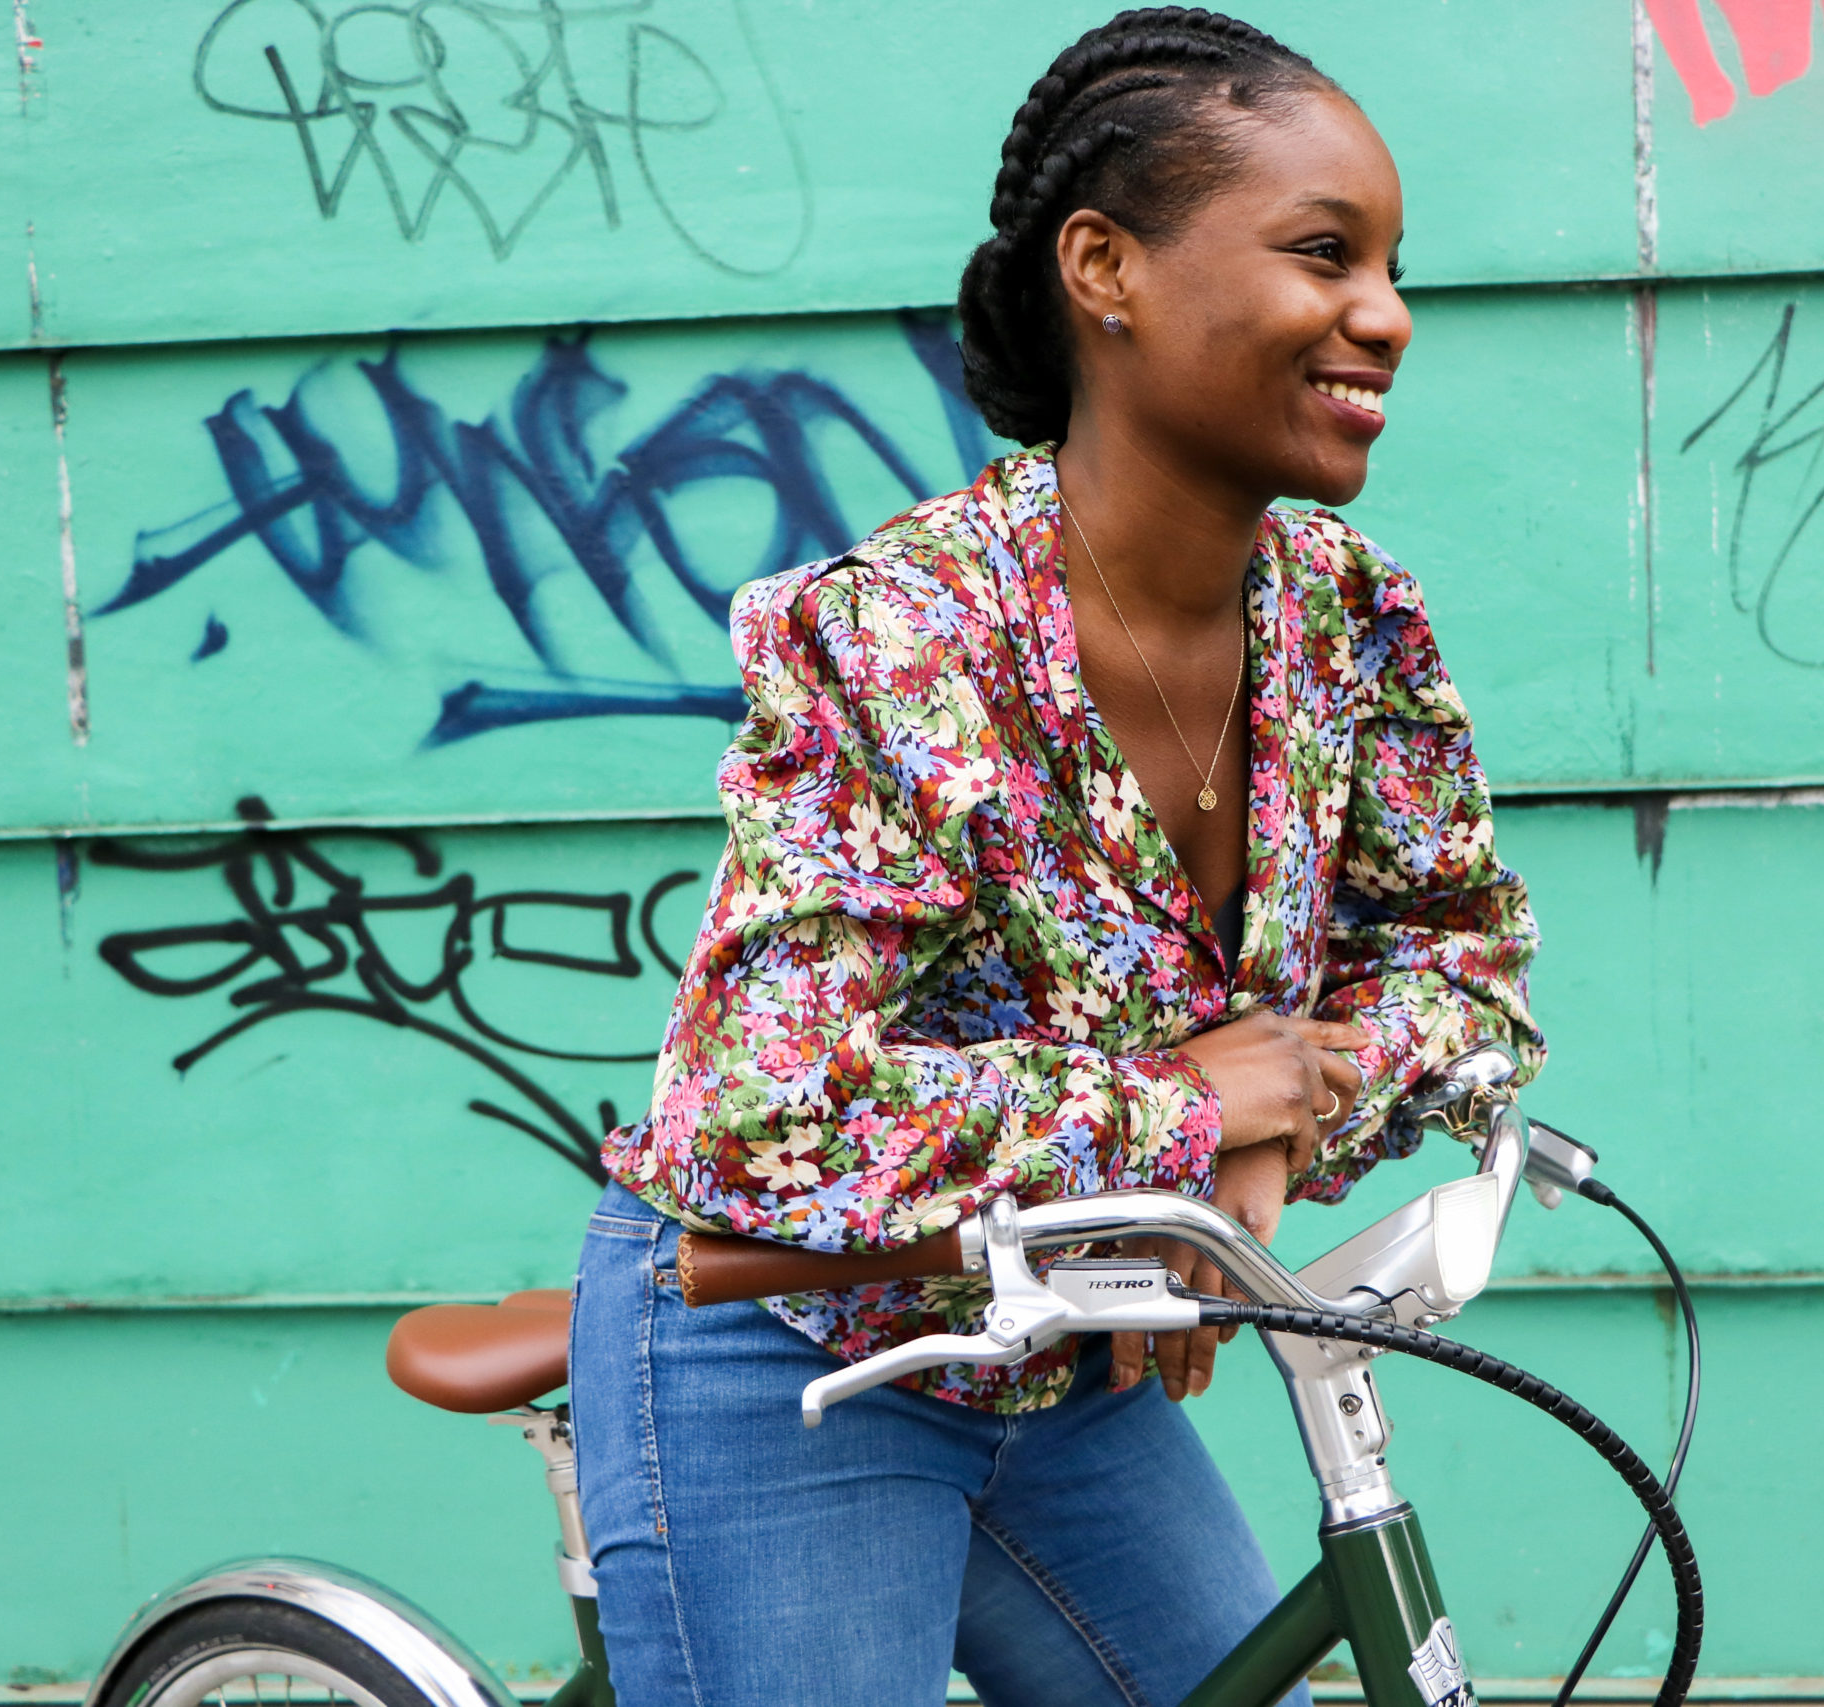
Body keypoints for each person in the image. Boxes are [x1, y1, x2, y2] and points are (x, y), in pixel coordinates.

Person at [569, 9, 1543, 1704]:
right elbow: (764, 1108)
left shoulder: (1349, 619)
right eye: (1325, 254)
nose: (1385, 313)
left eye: (1392, 268)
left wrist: (1275, 1109)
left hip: (1066, 1355)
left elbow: (1463, 965)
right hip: (790, 1337)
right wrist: (1184, 1112)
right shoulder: (906, 637)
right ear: (1107, 268)